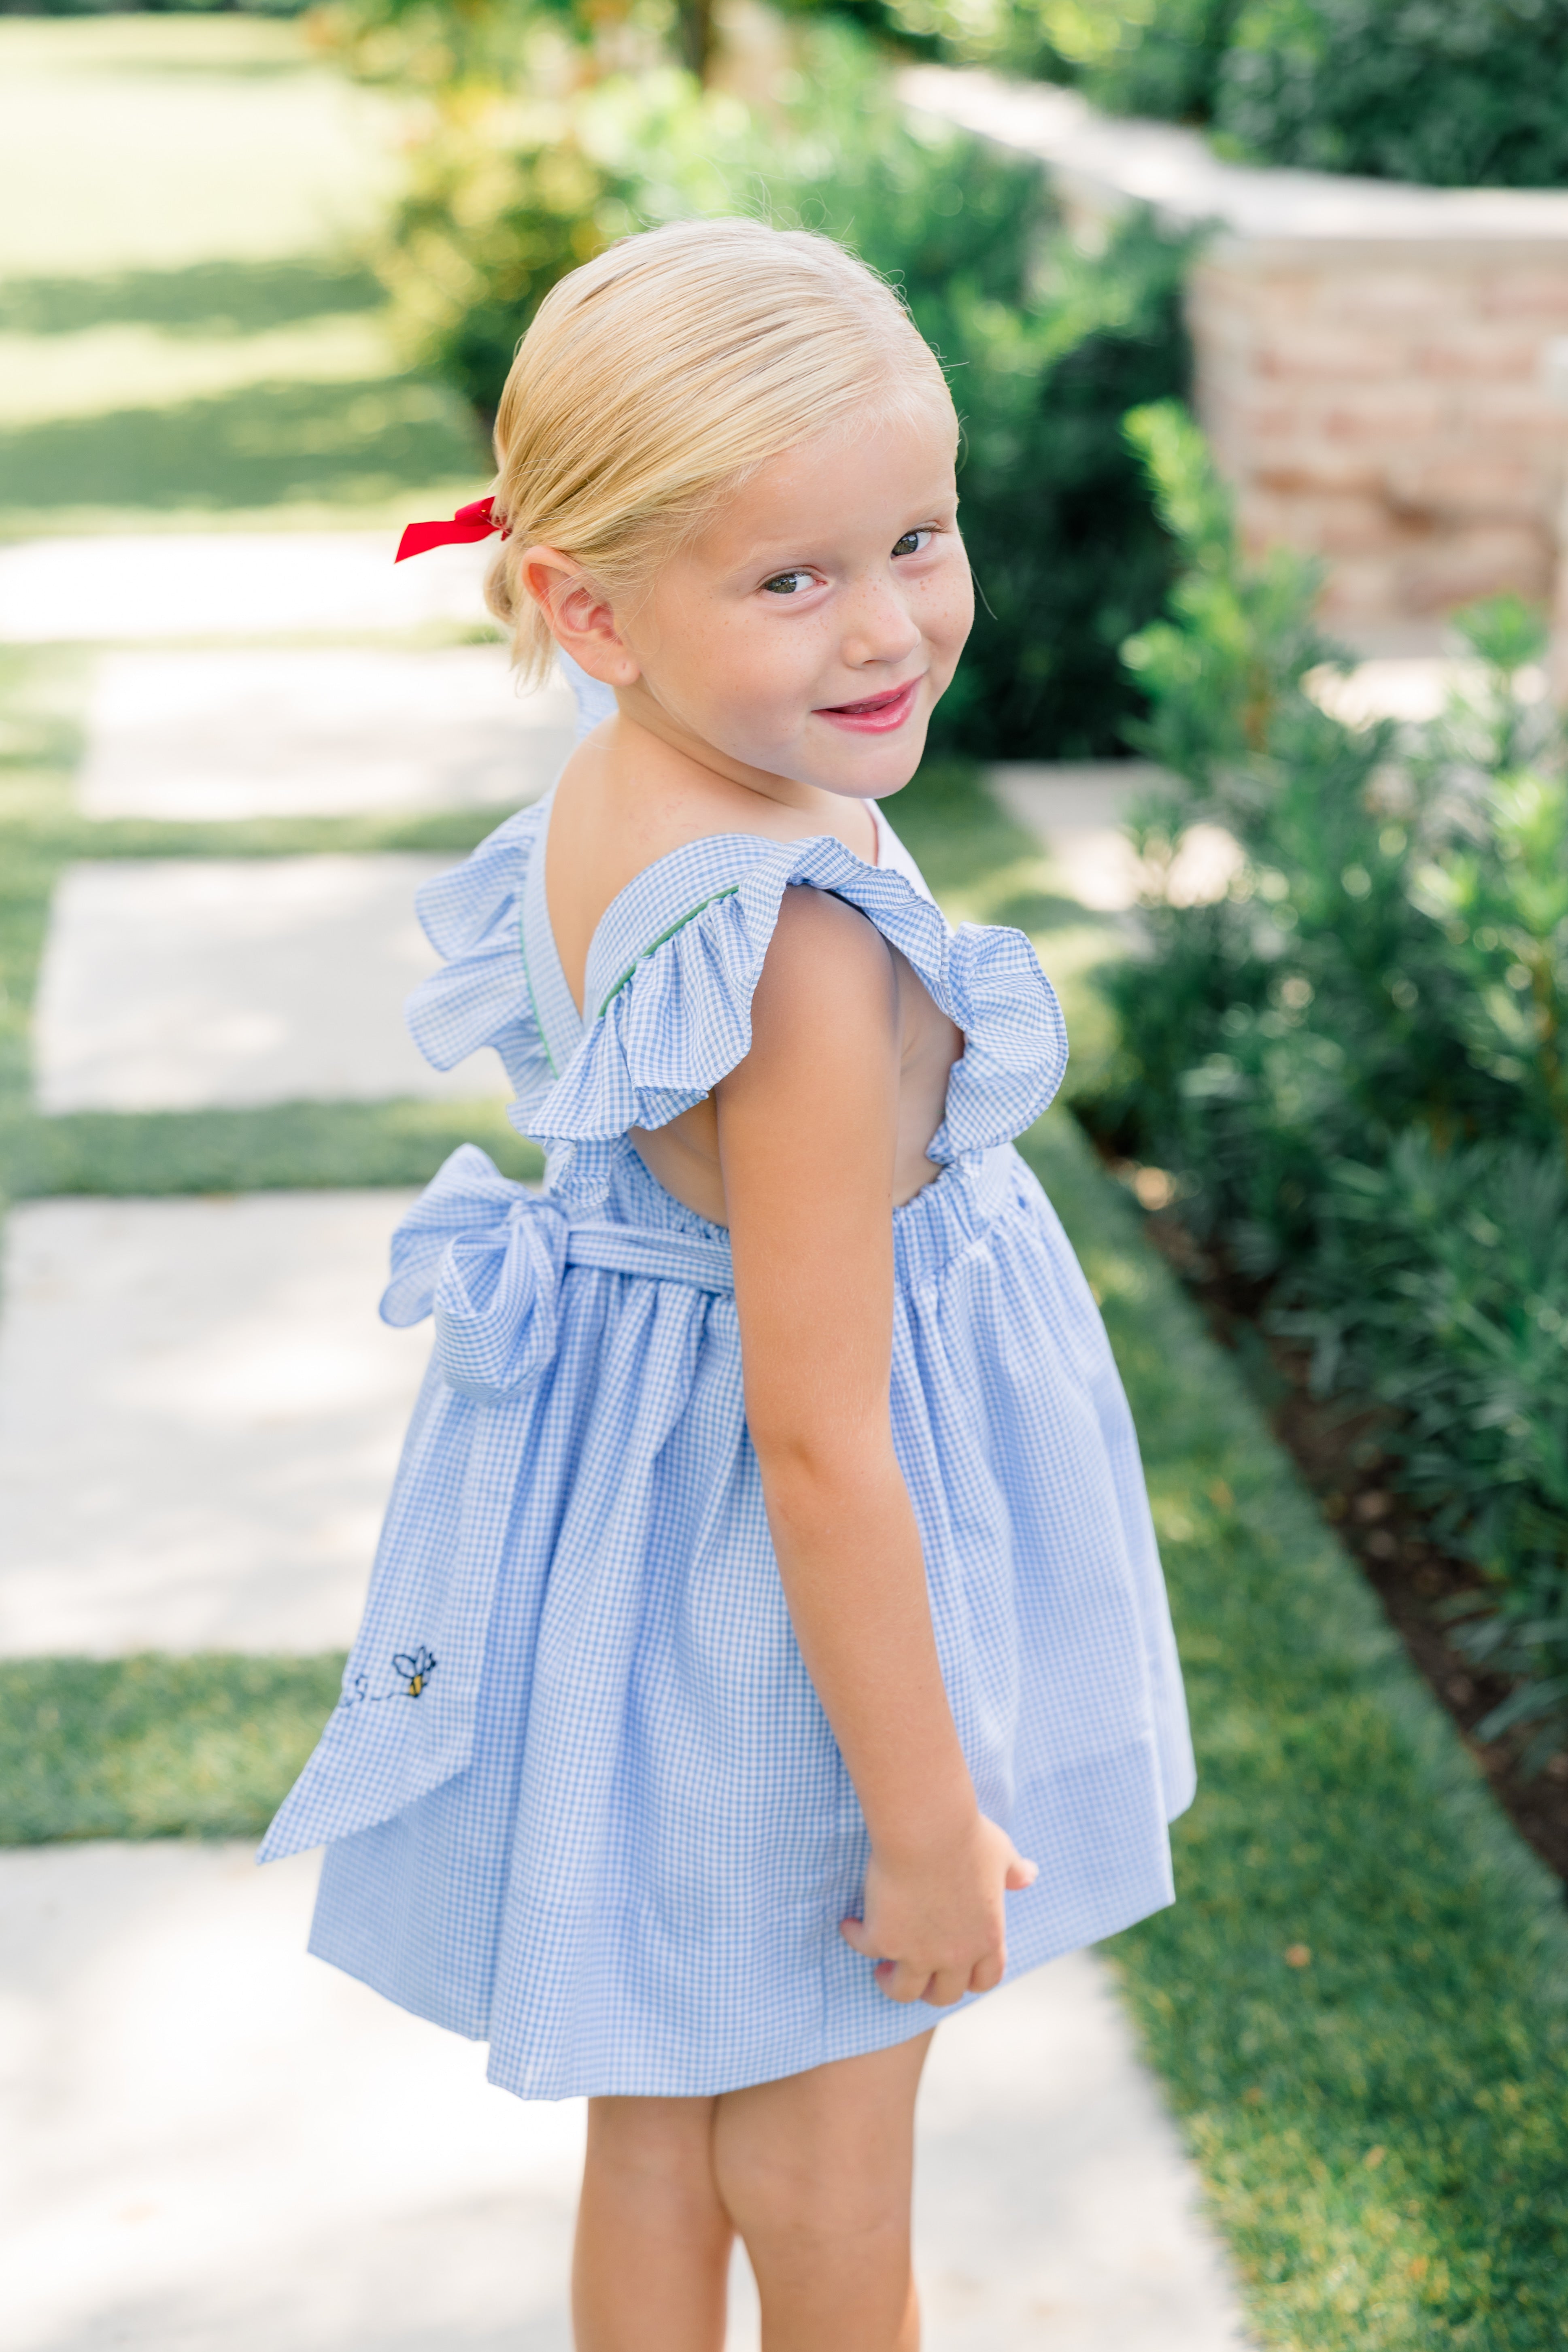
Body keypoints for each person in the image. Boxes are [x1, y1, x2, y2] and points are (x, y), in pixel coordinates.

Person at [262, 216, 1194, 2352]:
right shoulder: (798, 951)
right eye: (793, 579)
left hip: (644, 1548)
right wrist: (924, 1822)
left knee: (667, 2130)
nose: (887, 627)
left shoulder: (640, 781)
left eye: (917, 539)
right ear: (592, 608)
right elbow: (822, 1437)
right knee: (824, 2169)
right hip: (796, 1635)